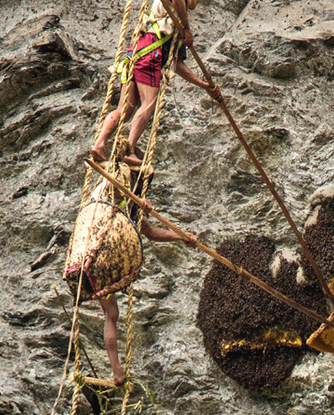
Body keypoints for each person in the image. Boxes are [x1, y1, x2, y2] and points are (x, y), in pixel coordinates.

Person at [90, 141, 197, 386]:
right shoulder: (112, 178)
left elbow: (148, 231)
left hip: (94, 256)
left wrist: (181, 237)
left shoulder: (124, 196)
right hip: (100, 251)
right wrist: (139, 200)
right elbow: (115, 188)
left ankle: (117, 371)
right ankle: (116, 371)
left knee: (111, 313)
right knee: (110, 313)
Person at [90, 0, 221, 166]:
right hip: (152, 54)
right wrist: (187, 28)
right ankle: (130, 151)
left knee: (124, 109)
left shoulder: (172, 23)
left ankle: (99, 144)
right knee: (148, 104)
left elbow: (178, 65)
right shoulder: (179, 19)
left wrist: (204, 85)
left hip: (138, 49)